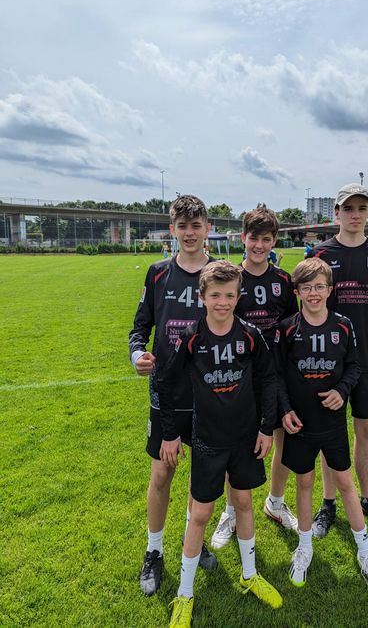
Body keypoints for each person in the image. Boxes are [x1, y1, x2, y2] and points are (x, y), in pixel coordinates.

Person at [157, 261, 283, 627]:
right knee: (200, 514)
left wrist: (266, 428)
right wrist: (170, 433)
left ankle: (249, 575)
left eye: (229, 295)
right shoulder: (191, 337)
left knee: (243, 502)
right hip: (208, 441)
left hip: (244, 439)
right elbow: (166, 382)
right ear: (202, 297)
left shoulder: (249, 335)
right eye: (215, 295)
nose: (222, 302)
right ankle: (184, 594)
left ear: (238, 296)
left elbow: (269, 378)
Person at [275, 258, 368, 594]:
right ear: (297, 292)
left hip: (332, 424)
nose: (313, 293)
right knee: (305, 482)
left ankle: (365, 551)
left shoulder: (343, 325)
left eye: (319, 286)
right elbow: (277, 376)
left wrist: (341, 391)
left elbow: (354, 367)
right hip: (299, 424)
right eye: (306, 287)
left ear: (330, 289)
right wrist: (285, 410)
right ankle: (304, 546)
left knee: (345, 482)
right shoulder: (287, 329)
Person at [128, 195, 218, 597]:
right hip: (166, 391)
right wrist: (137, 355)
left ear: (208, 228)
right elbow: (140, 328)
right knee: (162, 473)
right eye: (183, 226)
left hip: (210, 392)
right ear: (172, 230)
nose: (190, 233)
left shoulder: (220, 273)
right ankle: (154, 550)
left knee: (202, 474)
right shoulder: (158, 273)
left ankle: (192, 539)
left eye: (196, 225)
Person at [307, 183, 368, 536]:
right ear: (337, 213)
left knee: (367, 429)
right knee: (329, 430)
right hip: (328, 362)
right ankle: (328, 504)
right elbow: (311, 306)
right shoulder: (319, 254)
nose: (355, 215)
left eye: (362, 208)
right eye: (348, 208)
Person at [211, 208, 299, 549]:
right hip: (241, 374)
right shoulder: (231, 279)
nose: (259, 245)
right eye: (253, 238)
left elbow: (292, 326)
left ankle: (275, 501)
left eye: (266, 239)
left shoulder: (283, 281)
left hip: (277, 373)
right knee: (238, 442)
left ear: (274, 241)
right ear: (242, 238)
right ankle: (231, 511)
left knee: (282, 436)